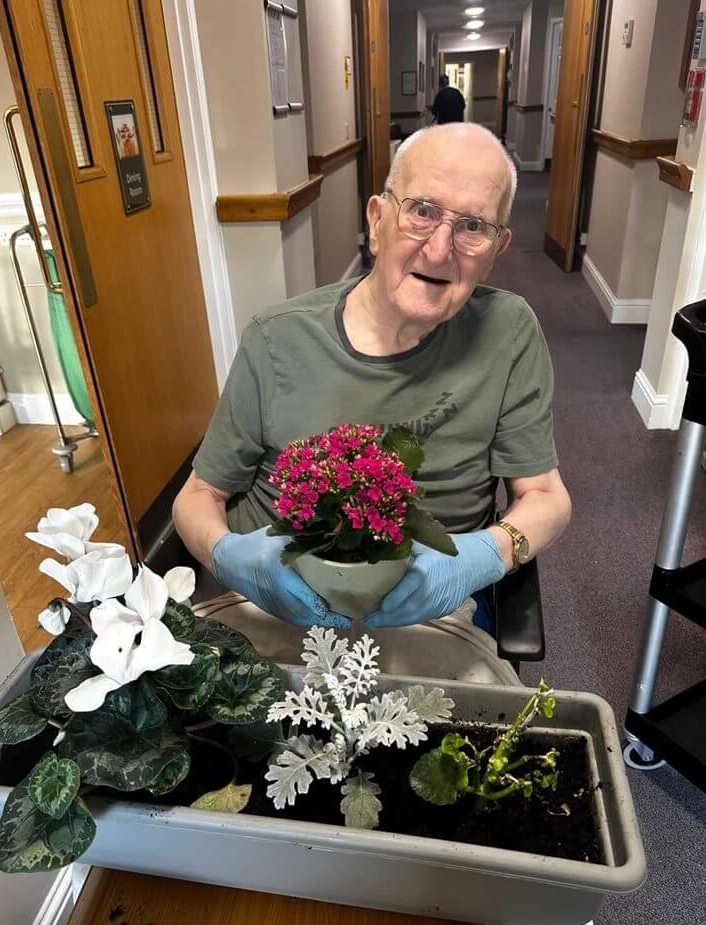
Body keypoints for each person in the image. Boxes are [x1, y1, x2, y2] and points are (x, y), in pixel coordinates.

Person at [173, 122, 571, 683]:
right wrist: (230, 558)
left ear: (497, 249)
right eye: (422, 211)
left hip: (427, 614)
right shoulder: (276, 338)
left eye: (473, 227)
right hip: (272, 605)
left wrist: (488, 554)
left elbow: (546, 496)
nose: (440, 249)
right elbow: (197, 496)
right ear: (377, 220)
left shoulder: (509, 333)